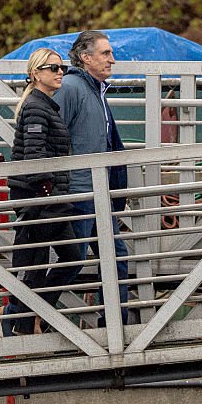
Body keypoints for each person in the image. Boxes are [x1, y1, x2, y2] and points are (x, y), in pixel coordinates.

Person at [54, 30, 132, 325]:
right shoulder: (72, 87)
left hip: (98, 194)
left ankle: (114, 326)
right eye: (105, 54)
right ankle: (20, 315)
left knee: (116, 258)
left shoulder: (96, 90)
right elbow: (55, 136)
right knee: (72, 262)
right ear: (86, 58)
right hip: (79, 193)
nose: (112, 59)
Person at [2, 48, 81, 336]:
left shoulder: (42, 105)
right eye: (53, 68)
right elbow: (34, 153)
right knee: (42, 263)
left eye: (62, 68)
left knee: (58, 259)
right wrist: (47, 191)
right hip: (40, 199)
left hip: (47, 198)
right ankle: (22, 322)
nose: (60, 72)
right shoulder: (36, 107)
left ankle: (25, 319)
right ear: (36, 74)